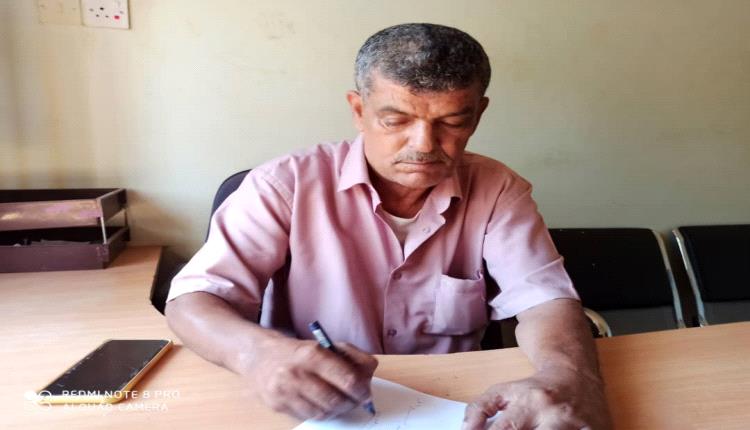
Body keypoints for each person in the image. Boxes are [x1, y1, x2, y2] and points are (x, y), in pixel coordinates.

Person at [165, 23, 611, 430]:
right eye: (396, 120)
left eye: (453, 122)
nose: (424, 145)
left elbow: (544, 301)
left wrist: (567, 377)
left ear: (478, 115)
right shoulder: (285, 185)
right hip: (314, 406)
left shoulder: (497, 189)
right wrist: (256, 354)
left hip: (455, 401)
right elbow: (194, 300)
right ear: (358, 110)